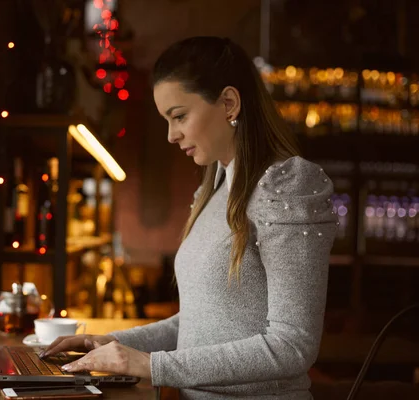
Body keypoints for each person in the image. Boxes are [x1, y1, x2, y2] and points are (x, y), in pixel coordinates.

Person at [40, 36, 338, 399]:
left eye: (179, 116)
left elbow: (293, 346)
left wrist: (151, 367)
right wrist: (109, 343)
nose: (170, 135)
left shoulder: (287, 186)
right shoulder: (213, 189)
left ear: (229, 103)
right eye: (167, 120)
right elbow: (201, 324)